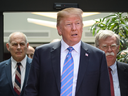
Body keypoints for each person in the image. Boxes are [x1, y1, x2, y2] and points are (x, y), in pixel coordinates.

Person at [24, 8, 111, 96]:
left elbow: (104, 91)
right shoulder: (42, 53)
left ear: (82, 26)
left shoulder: (97, 56)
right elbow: (31, 89)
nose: (74, 28)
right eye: (69, 24)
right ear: (59, 29)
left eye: (77, 23)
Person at [95, 30, 128, 96]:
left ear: (118, 48)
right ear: (97, 49)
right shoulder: (90, 72)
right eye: (105, 46)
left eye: (113, 46)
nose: (109, 50)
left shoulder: (126, 70)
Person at [0, 32, 32, 96]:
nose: (19, 47)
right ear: (8, 47)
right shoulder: (1, 68)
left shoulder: (37, 66)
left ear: (27, 46)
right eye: (15, 44)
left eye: (22, 44)